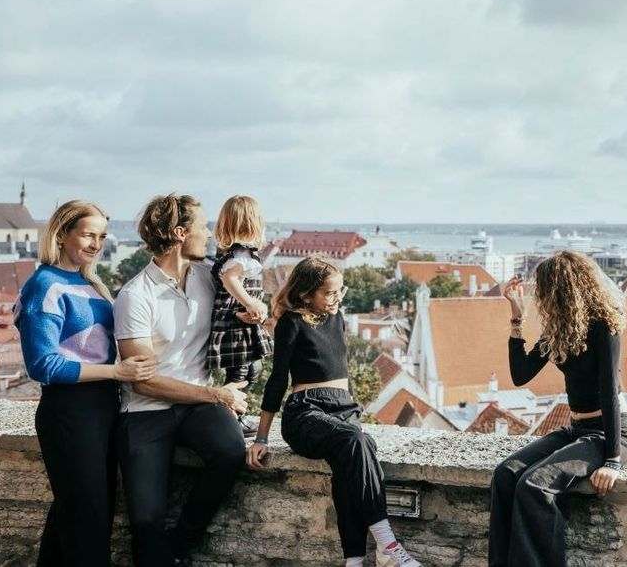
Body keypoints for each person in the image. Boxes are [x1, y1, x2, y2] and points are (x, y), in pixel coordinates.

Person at [246, 258, 422, 567]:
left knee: (356, 456)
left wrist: (348, 411)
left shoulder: (337, 318)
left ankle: (353, 561)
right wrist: (261, 437)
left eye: (340, 290)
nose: (337, 298)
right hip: (305, 413)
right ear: (306, 294)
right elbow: (277, 380)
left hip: (344, 410)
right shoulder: (291, 322)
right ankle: (388, 545)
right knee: (357, 439)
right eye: (329, 293)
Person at [114, 193, 253, 566]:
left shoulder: (210, 276)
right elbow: (143, 381)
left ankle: (180, 546)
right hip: (146, 409)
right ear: (179, 232)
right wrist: (215, 394)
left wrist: (255, 312)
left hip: (197, 406)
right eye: (203, 227)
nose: (209, 234)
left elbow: (251, 289)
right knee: (145, 519)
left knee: (229, 451)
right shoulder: (135, 295)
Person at [16, 200, 154, 567]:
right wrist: (117, 372)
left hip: (100, 408)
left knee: (76, 520)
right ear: (61, 235)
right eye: (88, 235)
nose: (96, 244)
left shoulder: (89, 282)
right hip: (70, 410)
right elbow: (43, 365)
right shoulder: (44, 285)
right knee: (87, 523)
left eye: (102, 236)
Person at [489, 251, 627, 567]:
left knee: (534, 485)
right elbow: (521, 375)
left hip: (611, 433)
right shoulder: (561, 329)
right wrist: (517, 318)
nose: (542, 298)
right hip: (577, 429)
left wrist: (612, 461)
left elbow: (609, 393)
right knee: (505, 475)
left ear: (562, 290)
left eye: (544, 291)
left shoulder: (604, 325)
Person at [207, 195, 272, 435]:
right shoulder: (240, 255)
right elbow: (229, 279)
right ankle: (230, 418)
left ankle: (234, 415)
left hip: (237, 323)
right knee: (241, 372)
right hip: (235, 324)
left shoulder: (231, 253)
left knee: (251, 369)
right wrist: (250, 303)